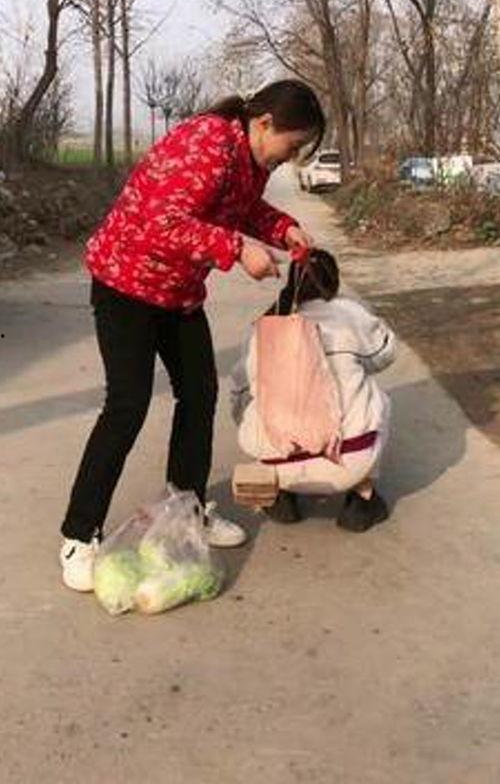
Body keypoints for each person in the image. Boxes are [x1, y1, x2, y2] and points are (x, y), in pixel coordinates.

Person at [60, 79, 325, 591]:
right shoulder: (207, 142)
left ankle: (187, 509)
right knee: (127, 405)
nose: (289, 158)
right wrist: (237, 250)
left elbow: (243, 209)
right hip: (125, 284)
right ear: (264, 123)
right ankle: (78, 534)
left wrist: (282, 229)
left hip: (177, 293)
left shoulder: (250, 162)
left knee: (199, 393)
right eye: (292, 145)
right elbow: (162, 222)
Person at [230, 249, 396, 531]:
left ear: (291, 282)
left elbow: (240, 392)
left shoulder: (265, 326)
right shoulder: (349, 314)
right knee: (378, 399)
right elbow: (385, 354)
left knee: (251, 399)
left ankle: (282, 495)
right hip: (349, 462)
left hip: (276, 461)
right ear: (334, 282)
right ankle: (361, 498)